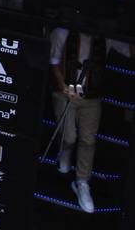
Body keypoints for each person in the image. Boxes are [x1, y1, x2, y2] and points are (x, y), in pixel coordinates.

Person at [50, 25, 132, 213]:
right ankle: (65, 151)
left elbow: (128, 49)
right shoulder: (63, 32)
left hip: (91, 97)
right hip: (66, 93)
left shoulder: (105, 36)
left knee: (88, 140)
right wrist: (63, 85)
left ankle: (82, 182)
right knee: (69, 136)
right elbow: (53, 61)